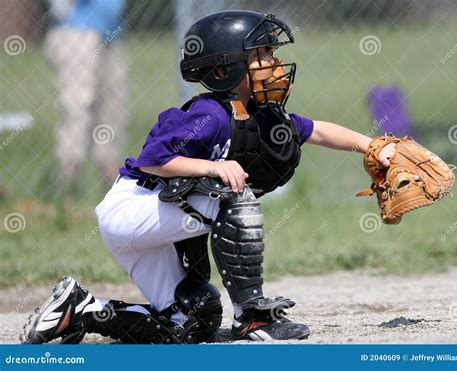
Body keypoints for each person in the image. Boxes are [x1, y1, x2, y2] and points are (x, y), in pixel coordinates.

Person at [22, 10, 395, 344]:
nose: (275, 63)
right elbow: (154, 160)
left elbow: (316, 131)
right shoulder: (208, 115)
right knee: (234, 193)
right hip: (134, 208)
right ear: (224, 70)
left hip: (161, 220)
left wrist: (374, 146)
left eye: (271, 53)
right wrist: (211, 166)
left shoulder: (264, 117)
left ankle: (81, 310)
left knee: (193, 321)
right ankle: (253, 318)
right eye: (261, 56)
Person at [45, 0, 127, 192]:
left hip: (111, 29)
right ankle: (64, 188)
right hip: (76, 28)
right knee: (78, 109)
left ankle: (117, 191)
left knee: (112, 110)